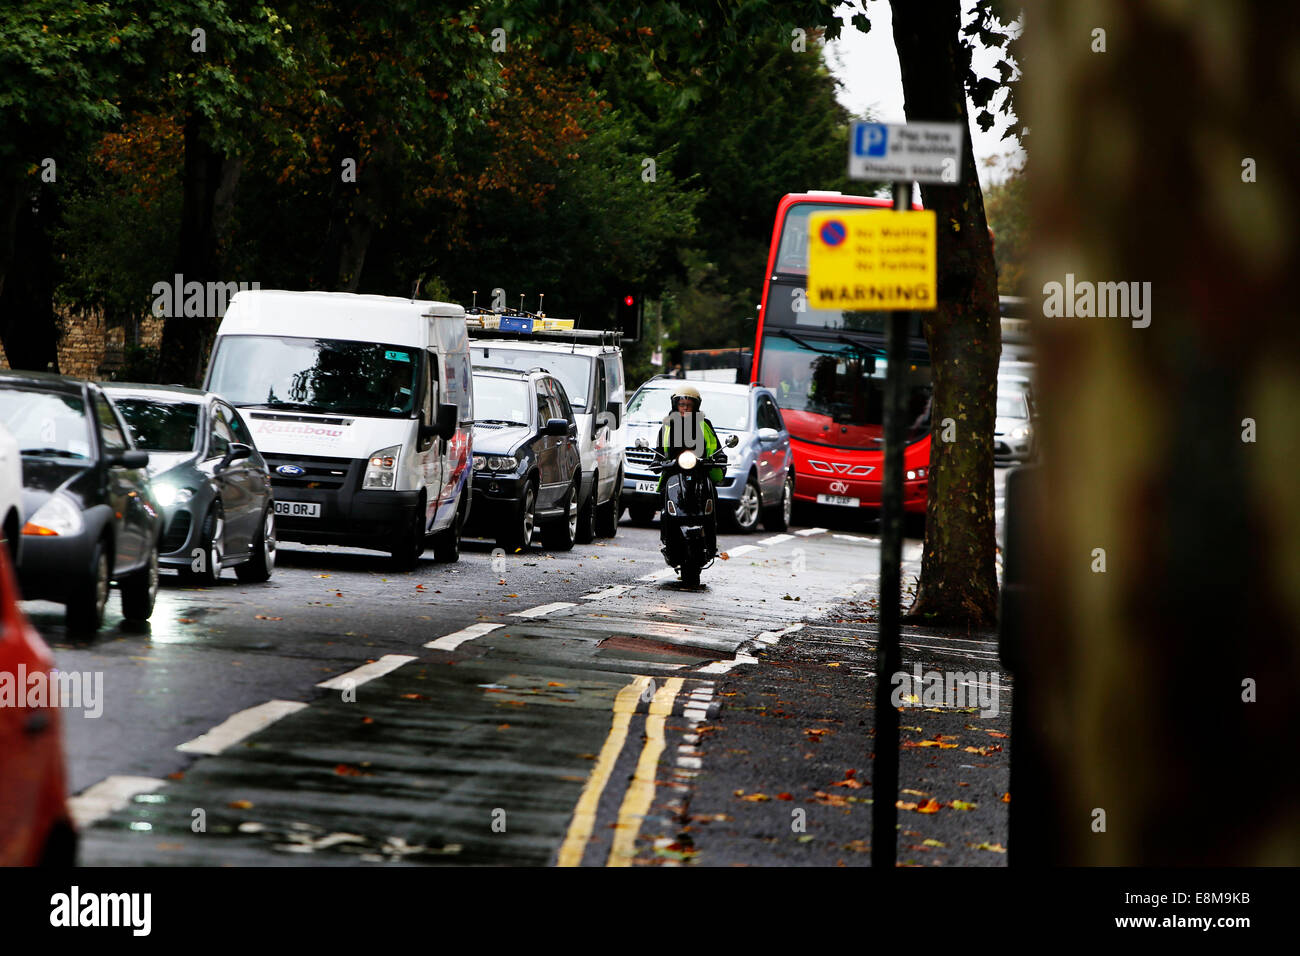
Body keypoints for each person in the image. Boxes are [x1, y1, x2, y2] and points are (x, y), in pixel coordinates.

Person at [655, 384, 724, 491]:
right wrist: (657, 460)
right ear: (676, 405)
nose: (685, 408)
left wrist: (720, 456)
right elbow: (660, 449)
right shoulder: (667, 425)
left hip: (701, 470)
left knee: (711, 492)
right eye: (682, 404)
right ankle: (666, 508)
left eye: (689, 405)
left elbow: (714, 444)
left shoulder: (705, 424)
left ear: (695, 406)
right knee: (664, 493)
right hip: (673, 471)